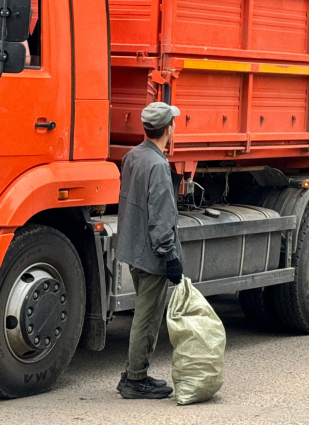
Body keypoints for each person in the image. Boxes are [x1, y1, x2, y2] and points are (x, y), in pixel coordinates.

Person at [116, 101, 184, 400]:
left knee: (142, 314)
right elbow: (160, 215)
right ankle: (136, 379)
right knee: (148, 316)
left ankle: (132, 372)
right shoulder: (158, 165)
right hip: (152, 251)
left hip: (133, 245)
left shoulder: (133, 156)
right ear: (168, 129)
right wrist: (169, 255)